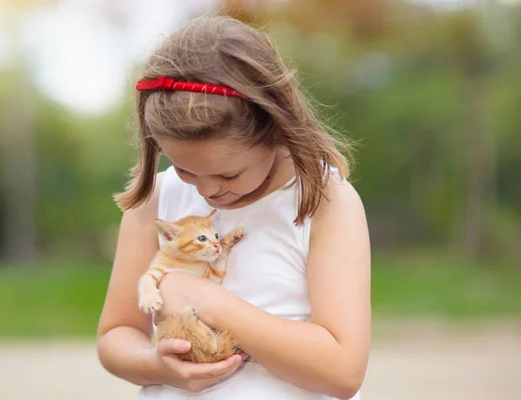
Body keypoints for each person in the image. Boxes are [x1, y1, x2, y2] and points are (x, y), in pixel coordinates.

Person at [97, 14, 371, 400]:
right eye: (185, 169)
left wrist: (211, 303)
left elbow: (343, 372)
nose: (208, 191)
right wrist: (156, 366)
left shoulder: (325, 201)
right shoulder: (157, 201)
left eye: (229, 174)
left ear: (275, 128)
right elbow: (116, 335)